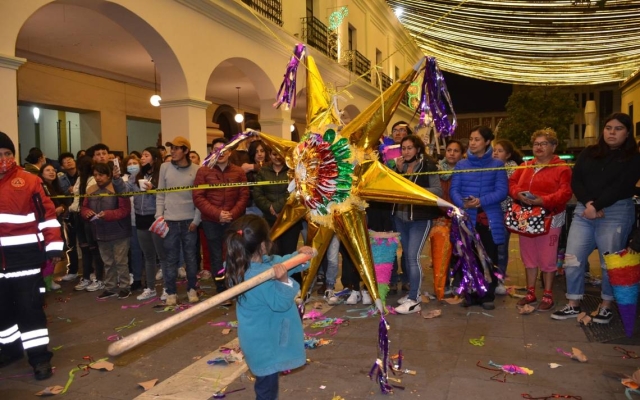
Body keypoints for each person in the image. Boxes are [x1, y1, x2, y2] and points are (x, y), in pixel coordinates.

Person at [552, 113, 640, 322]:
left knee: (609, 262)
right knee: (573, 258)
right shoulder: (590, 152)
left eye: (618, 128)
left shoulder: (634, 157)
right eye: (608, 127)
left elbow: (622, 186)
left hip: (616, 211)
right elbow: (577, 180)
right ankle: (573, 302)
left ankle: (606, 305)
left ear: (627, 133)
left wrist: (597, 205)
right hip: (585, 210)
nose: (612, 132)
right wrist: (589, 204)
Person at [224, 215, 313, 399]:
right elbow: (279, 303)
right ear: (263, 244)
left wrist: (299, 257)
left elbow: (280, 262)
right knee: (267, 390)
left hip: (259, 339)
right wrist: (283, 281)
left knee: (267, 385)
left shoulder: (245, 264)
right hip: (266, 343)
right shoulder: (256, 277)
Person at [0, 131, 62, 380]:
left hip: (25, 260)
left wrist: (54, 246)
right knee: (2, 313)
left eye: (7, 154)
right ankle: (10, 350)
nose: (3, 159)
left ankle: (39, 358)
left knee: (30, 311)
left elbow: (47, 216)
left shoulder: (29, 181)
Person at [508, 129, 572, 312]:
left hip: (551, 217)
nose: (539, 147)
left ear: (553, 146)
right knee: (528, 256)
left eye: (544, 143)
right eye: (536, 144)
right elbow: (511, 184)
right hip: (527, 217)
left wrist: (543, 200)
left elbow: (565, 193)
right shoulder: (525, 166)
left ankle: (548, 294)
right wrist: (518, 194)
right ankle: (530, 293)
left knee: (548, 257)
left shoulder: (562, 168)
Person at [450, 126, 508, 310]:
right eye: (471, 139)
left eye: (477, 139)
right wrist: (463, 203)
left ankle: (487, 295)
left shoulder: (497, 165)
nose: (472, 143)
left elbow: (502, 192)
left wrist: (480, 201)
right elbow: (454, 190)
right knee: (468, 256)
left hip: (488, 218)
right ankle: (470, 293)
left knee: (489, 255)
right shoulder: (461, 165)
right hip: (466, 218)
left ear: (487, 142)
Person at [391, 135, 443, 314]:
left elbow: (437, 191)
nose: (405, 152)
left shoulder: (428, 166)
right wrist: (398, 172)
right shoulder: (399, 166)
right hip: (400, 217)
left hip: (420, 219)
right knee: (407, 257)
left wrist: (411, 184)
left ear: (418, 150)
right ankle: (414, 293)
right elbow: (393, 188)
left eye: (409, 148)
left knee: (413, 258)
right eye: (403, 148)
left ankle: (413, 300)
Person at [193, 138, 249, 294]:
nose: (221, 153)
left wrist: (232, 213)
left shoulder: (238, 172)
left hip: (234, 219)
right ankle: (221, 287)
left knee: (235, 253)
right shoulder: (203, 171)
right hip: (212, 220)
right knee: (216, 255)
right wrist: (218, 214)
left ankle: (236, 284)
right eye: (216, 150)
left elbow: (244, 196)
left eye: (224, 150)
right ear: (212, 152)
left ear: (230, 151)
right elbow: (198, 197)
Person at [156, 136, 202, 305]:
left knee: (190, 257)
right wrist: (159, 217)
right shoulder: (164, 167)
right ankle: (170, 292)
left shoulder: (197, 170)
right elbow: (160, 193)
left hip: (189, 220)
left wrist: (197, 220)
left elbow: (199, 197)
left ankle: (191, 288)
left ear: (185, 151)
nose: (172, 152)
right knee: (170, 258)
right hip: (169, 220)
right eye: (171, 148)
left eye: (176, 148)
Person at [117, 148, 167, 301]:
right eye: (142, 155)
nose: (142, 158)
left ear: (155, 158)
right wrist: (116, 179)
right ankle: (150, 288)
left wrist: (153, 190)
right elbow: (126, 192)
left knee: (162, 256)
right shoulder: (136, 176)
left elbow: (166, 194)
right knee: (148, 256)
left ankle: (167, 288)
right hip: (140, 218)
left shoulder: (161, 175)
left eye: (146, 155)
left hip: (156, 218)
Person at [81, 163, 132, 300]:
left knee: (121, 262)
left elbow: (125, 210)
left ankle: (125, 287)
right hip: (100, 232)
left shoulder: (118, 188)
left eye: (101, 175)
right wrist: (87, 213)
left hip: (119, 231)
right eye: (95, 175)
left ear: (109, 175)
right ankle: (110, 288)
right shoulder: (91, 189)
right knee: (108, 262)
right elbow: (84, 207)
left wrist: (108, 214)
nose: (98, 178)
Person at [492, 139, 524, 294]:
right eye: (494, 150)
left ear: (508, 154)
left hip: (505, 213)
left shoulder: (513, 169)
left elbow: (506, 190)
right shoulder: (488, 165)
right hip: (489, 211)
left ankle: (499, 279)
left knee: (501, 248)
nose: (496, 153)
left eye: (500, 150)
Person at [39, 163, 68, 291]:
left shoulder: (56, 186)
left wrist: (62, 208)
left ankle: (49, 279)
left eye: (53, 170)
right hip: (45, 225)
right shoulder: (40, 187)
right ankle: (46, 281)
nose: (51, 172)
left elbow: (65, 201)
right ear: (41, 173)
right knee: (48, 255)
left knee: (55, 254)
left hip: (57, 223)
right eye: (47, 170)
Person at [57, 152, 80, 282]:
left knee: (86, 244)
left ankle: (92, 272)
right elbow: (60, 194)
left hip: (81, 212)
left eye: (71, 159)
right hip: (69, 214)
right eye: (65, 161)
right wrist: (68, 191)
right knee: (71, 244)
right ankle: (72, 270)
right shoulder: (61, 179)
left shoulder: (83, 175)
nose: (69, 162)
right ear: (62, 166)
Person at [245, 140, 270, 217]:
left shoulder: (272, 166)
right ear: (252, 154)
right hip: (252, 207)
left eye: (262, 151)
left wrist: (253, 167)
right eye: (256, 152)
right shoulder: (246, 168)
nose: (259, 154)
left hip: (270, 205)